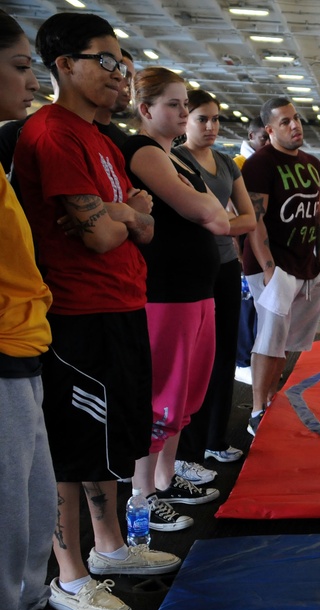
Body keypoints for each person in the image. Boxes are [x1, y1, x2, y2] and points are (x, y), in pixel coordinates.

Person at [16, 12, 181, 610]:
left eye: (124, 60)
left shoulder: (103, 140)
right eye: (107, 60)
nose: (122, 73)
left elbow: (143, 225)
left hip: (120, 307)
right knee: (74, 447)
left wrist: (125, 215)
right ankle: (70, 575)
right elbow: (100, 238)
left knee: (110, 445)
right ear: (66, 66)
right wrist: (124, 216)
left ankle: (109, 549)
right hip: (79, 315)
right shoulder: (54, 134)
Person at [0, 11, 98, 610]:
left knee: (31, 515)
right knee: (10, 521)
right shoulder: (46, 138)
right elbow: (103, 230)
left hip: (25, 348)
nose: (28, 79)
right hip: (7, 354)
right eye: (18, 66)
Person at [123, 67, 232, 528]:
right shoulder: (143, 151)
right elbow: (205, 210)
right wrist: (203, 207)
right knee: (160, 397)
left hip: (197, 293)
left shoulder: (181, 159)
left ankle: (165, 479)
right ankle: (142, 494)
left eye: (183, 102)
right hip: (165, 295)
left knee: (185, 395)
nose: (184, 111)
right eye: (174, 104)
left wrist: (205, 207)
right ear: (146, 110)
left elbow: (223, 220)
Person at [174, 88, 256, 478]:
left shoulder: (225, 162)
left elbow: (249, 219)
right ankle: (183, 452)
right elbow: (188, 221)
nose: (211, 126)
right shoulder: (172, 159)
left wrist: (215, 224)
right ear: (185, 120)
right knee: (192, 361)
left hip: (225, 266)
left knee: (224, 356)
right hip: (190, 271)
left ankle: (215, 440)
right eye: (201, 118)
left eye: (216, 119)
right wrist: (220, 224)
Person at [242, 97, 320, 436]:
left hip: (304, 263)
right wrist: (267, 268)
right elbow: (255, 220)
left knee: (288, 340)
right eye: (285, 122)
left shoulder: (312, 163)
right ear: (269, 129)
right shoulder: (261, 164)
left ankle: (272, 398)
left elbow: (319, 209)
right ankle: (256, 409)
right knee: (269, 338)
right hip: (272, 266)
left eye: (296, 119)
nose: (295, 126)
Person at [233, 116, 269, 384]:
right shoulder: (239, 164)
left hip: (263, 244)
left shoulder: (267, 163)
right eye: (263, 138)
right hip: (245, 243)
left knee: (263, 307)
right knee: (248, 306)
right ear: (251, 135)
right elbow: (231, 210)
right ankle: (242, 360)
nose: (267, 143)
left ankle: (255, 357)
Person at [93, 47, 133, 150]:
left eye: (131, 79)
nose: (128, 84)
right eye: (125, 75)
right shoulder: (74, 132)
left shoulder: (124, 142)